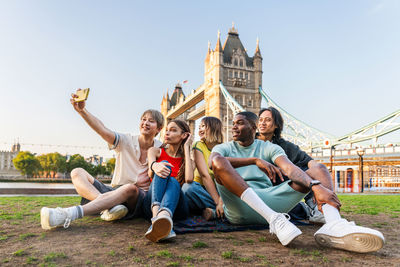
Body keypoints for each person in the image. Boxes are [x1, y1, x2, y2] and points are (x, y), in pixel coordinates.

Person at [208, 111, 385, 253]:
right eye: (233, 123)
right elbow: (212, 162)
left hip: (270, 199)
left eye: (240, 123)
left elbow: (290, 169)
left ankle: (333, 225)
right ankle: (274, 220)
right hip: (240, 204)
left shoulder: (270, 147)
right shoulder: (223, 147)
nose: (234, 126)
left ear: (253, 127)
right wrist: (255, 160)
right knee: (219, 162)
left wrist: (315, 186)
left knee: (319, 169)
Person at [40, 92, 165, 229]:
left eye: (151, 121)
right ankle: (107, 207)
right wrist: (82, 111)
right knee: (77, 172)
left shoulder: (162, 148)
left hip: (138, 198)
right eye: (143, 119)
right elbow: (102, 129)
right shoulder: (126, 140)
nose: (145, 123)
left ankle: (68, 214)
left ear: (159, 129)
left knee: (130, 188)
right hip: (113, 191)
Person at [257, 107, 329, 223]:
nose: (262, 123)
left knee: (316, 168)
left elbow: (309, 162)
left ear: (276, 125)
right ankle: (307, 209)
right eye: (260, 120)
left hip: (280, 189)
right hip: (258, 190)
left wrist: (320, 176)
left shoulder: (285, 146)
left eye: (267, 120)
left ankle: (324, 208)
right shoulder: (249, 142)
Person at [143, 119, 194, 242]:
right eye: (167, 130)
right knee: (164, 164)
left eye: (173, 130)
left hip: (177, 206)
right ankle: (158, 219)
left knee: (173, 180)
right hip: (151, 204)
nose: (167, 133)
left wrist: (186, 147)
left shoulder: (189, 160)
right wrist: (155, 165)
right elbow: (150, 172)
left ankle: (162, 218)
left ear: (184, 135)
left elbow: (188, 179)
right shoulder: (154, 151)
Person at [182, 117, 224, 220]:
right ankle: (222, 210)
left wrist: (221, 200)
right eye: (199, 127)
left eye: (203, 126)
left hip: (219, 190)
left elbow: (226, 181)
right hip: (201, 189)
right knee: (188, 188)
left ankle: (213, 211)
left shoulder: (224, 148)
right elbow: (205, 176)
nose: (199, 130)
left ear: (214, 128)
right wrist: (218, 202)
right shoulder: (198, 145)